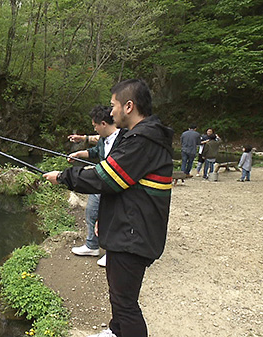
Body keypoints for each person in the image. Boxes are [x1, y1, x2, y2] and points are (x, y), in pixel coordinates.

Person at [44, 79, 173, 337]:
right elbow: (121, 185)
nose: (110, 112)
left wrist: (63, 177)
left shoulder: (142, 141)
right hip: (128, 228)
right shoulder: (136, 136)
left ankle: (122, 329)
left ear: (128, 106)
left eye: (113, 106)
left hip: (134, 235)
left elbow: (107, 178)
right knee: (118, 294)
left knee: (126, 304)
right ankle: (116, 331)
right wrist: (107, 218)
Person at [67, 106, 123, 268]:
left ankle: (111, 252)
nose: (94, 129)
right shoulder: (104, 140)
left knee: (110, 217)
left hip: (115, 186)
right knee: (91, 212)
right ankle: (92, 245)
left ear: (103, 124)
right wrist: (78, 154)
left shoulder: (123, 140)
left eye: (95, 126)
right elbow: (94, 153)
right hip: (102, 183)